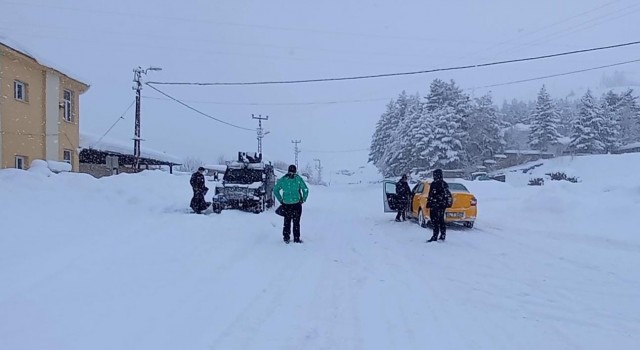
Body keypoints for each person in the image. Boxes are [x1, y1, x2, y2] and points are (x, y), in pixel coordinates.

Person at [273, 164, 309, 244]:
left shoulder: (283, 179)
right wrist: (303, 199)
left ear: (288, 170)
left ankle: (286, 238)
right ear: (295, 171)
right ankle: (296, 238)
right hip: (296, 204)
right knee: (296, 222)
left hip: (286, 204)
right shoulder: (298, 179)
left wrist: (281, 200)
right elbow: (305, 190)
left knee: (287, 221)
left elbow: (275, 190)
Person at [426, 169, 452, 242]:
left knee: (435, 221)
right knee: (441, 220)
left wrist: (429, 203)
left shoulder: (434, 184)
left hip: (435, 205)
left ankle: (435, 236)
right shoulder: (444, 184)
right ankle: (443, 235)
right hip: (442, 206)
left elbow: (431, 194)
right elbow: (446, 195)